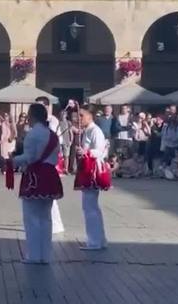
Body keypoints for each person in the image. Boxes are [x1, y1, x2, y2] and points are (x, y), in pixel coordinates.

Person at [9, 103, 64, 264]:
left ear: (32, 116)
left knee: (31, 216)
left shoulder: (33, 134)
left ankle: (34, 255)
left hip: (35, 176)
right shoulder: (53, 135)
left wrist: (12, 161)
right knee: (46, 217)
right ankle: (45, 255)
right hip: (50, 175)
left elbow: (30, 157)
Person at [74, 106, 109, 251]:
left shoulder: (95, 131)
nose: (79, 119)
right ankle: (99, 239)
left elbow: (100, 150)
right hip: (87, 168)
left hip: (92, 170)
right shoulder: (87, 131)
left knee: (90, 207)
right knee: (91, 206)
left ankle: (94, 241)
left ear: (90, 116)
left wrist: (86, 151)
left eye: (81, 116)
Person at [35, 96, 65, 234]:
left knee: (49, 194)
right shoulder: (37, 121)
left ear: (47, 106)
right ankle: (44, 220)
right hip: (38, 160)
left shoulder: (52, 120)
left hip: (49, 160)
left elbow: (55, 141)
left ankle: (56, 224)